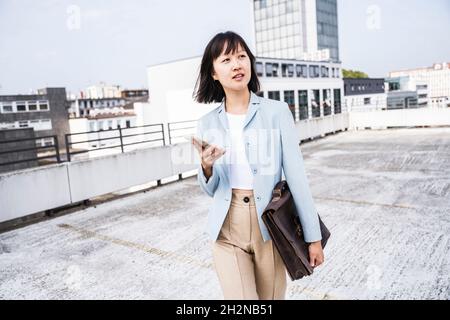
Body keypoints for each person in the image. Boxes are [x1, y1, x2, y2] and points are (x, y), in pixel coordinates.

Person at [191, 31, 324, 300]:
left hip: (270, 224)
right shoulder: (208, 123)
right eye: (226, 59)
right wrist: (206, 167)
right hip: (226, 228)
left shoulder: (276, 112)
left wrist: (313, 237)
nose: (237, 64)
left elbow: (297, 177)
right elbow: (211, 189)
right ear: (214, 73)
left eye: (242, 56)